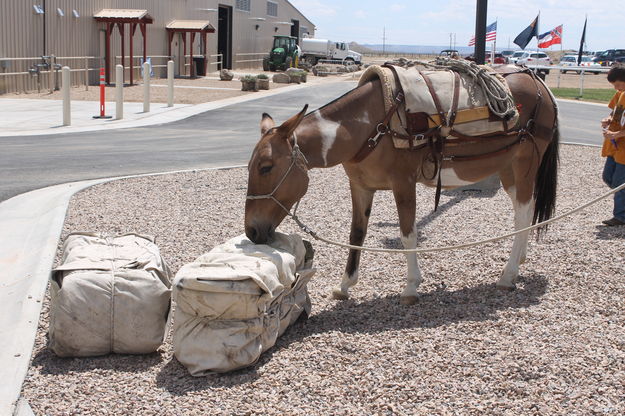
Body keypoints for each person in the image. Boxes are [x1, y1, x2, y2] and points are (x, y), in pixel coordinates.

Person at [600, 64, 625, 226]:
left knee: (619, 183)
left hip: (622, 148)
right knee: (608, 177)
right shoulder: (619, 95)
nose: (616, 88)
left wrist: (616, 134)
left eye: (617, 84)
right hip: (615, 146)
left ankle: (620, 216)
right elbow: (615, 112)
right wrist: (608, 119)